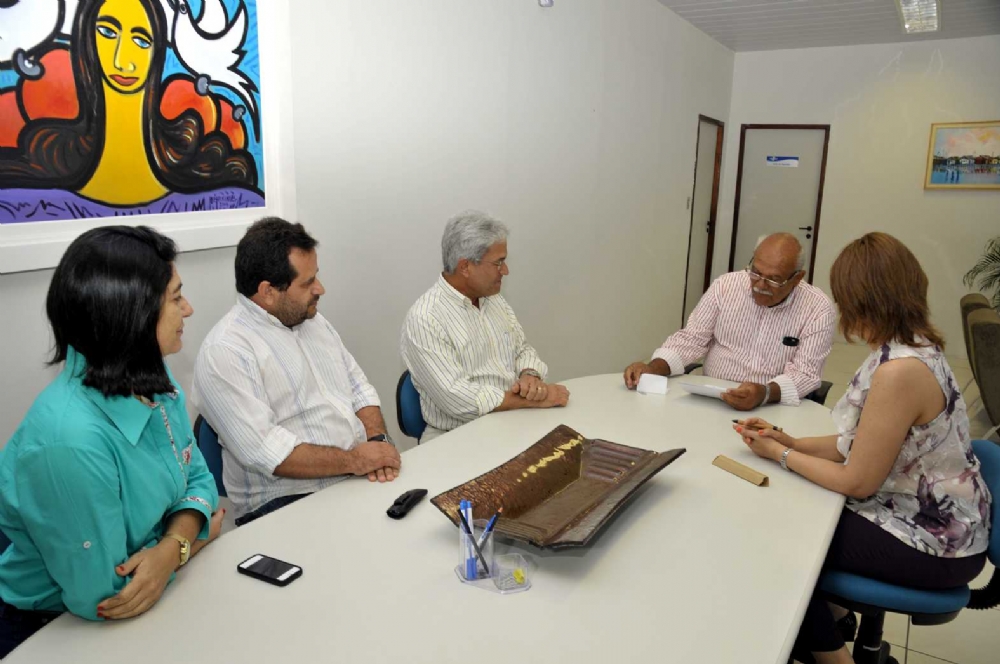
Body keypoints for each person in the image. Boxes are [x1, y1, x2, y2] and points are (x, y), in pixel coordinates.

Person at [733, 233, 991, 664]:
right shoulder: (909, 346)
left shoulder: (899, 371)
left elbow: (856, 481)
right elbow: (857, 443)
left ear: (860, 301)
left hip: (936, 541)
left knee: (775, 539)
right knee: (794, 513)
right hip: (931, 517)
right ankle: (832, 620)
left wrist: (779, 456)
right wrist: (789, 440)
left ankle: (834, 657)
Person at [0, 226, 222, 658]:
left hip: (158, 592)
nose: (189, 309)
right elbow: (109, 596)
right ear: (132, 316)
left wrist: (172, 547)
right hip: (54, 629)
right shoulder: (69, 442)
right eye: (176, 298)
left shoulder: (153, 380)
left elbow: (199, 480)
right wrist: (194, 539)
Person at [192, 218, 401, 526]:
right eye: (307, 283)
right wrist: (356, 460)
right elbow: (267, 451)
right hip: (284, 503)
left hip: (352, 476)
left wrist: (378, 440)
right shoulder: (225, 351)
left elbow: (358, 388)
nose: (320, 289)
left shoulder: (312, 320)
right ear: (268, 292)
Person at [0, 0, 254, 205]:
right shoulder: (27, 204)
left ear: (157, 53)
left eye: (142, 41)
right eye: (107, 32)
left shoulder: (228, 198)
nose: (123, 61)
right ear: (85, 38)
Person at [400, 210, 569, 444]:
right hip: (457, 437)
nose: (505, 271)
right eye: (498, 262)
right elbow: (458, 399)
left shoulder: (494, 300)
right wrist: (535, 400)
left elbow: (522, 349)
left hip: (512, 420)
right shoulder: (425, 318)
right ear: (465, 267)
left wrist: (529, 375)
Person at [623, 233, 835, 410]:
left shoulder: (817, 308)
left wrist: (764, 393)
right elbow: (692, 339)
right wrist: (652, 368)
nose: (760, 285)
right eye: (756, 272)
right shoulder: (725, 286)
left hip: (771, 405)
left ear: (797, 278)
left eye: (774, 279)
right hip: (714, 398)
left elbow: (805, 374)